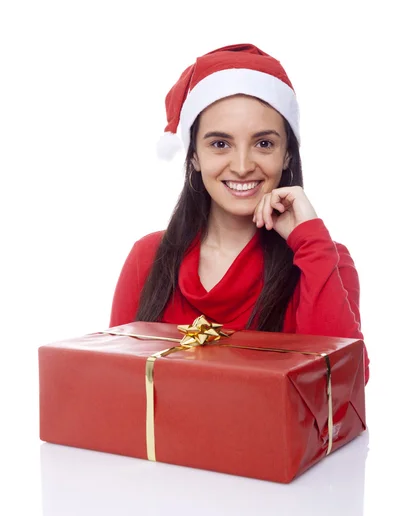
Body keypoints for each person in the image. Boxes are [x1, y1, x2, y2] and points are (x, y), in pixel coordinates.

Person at [109, 43, 369, 383]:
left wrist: (311, 241)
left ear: (288, 155)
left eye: (264, 143)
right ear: (194, 157)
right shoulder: (148, 257)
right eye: (220, 144)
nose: (244, 166)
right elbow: (115, 382)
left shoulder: (323, 260)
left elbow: (343, 386)